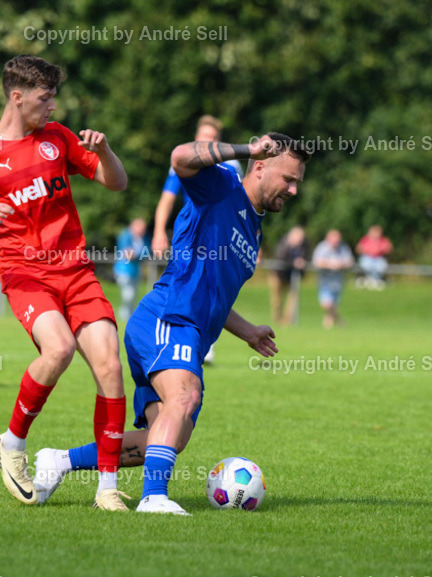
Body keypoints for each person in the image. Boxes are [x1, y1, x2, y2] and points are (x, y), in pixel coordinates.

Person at [31, 132, 311, 515]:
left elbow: (216, 295)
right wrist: (245, 148)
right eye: (289, 179)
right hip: (167, 318)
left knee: (167, 437)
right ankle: (154, 498)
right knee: (184, 397)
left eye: (298, 182)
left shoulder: (254, 227)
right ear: (260, 167)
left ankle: (59, 461)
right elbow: (180, 157)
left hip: (187, 333)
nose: (294, 190)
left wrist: (248, 331)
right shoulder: (222, 186)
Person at [0, 54, 131, 510]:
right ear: (17, 96)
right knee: (60, 349)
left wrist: (104, 150)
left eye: (54, 98)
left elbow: (117, 183)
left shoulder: (58, 138)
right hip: (26, 275)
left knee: (109, 366)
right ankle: (12, 443)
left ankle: (107, 490)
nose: (52, 107)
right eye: (45, 99)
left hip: (76, 271)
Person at [151, 115, 243, 364]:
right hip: (190, 234)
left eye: (212, 138)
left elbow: (242, 204)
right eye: (204, 137)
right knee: (183, 283)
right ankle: (172, 338)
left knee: (215, 288)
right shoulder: (182, 161)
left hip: (221, 234)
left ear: (219, 141)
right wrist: (159, 230)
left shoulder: (232, 163)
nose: (207, 141)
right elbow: (168, 198)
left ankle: (205, 343)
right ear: (195, 138)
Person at [312, 229, 354, 329]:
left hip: (338, 280)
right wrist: (330, 264)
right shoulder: (322, 248)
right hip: (325, 280)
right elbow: (316, 262)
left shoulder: (343, 248)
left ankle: (328, 328)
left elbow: (350, 262)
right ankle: (339, 320)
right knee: (326, 304)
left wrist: (341, 264)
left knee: (333, 304)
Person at [269, 226, 308, 325]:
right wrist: (294, 262)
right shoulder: (283, 244)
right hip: (278, 275)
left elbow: (304, 258)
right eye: (299, 237)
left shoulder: (302, 247)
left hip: (291, 277)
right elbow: (280, 258)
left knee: (293, 298)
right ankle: (278, 320)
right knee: (277, 299)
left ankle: (287, 321)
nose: (301, 239)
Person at [114, 217, 148, 322]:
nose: (143, 231)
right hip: (124, 269)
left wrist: (136, 255)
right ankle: (124, 316)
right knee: (128, 295)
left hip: (135, 270)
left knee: (133, 295)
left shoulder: (142, 238)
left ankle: (130, 316)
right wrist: (135, 255)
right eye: (141, 228)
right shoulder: (125, 235)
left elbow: (146, 252)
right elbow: (127, 253)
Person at [355, 224, 393, 290]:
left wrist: (380, 249)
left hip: (379, 258)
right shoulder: (365, 239)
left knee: (380, 266)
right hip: (367, 257)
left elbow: (389, 249)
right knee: (367, 265)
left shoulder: (383, 240)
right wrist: (367, 249)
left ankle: (374, 281)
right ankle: (371, 280)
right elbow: (358, 249)